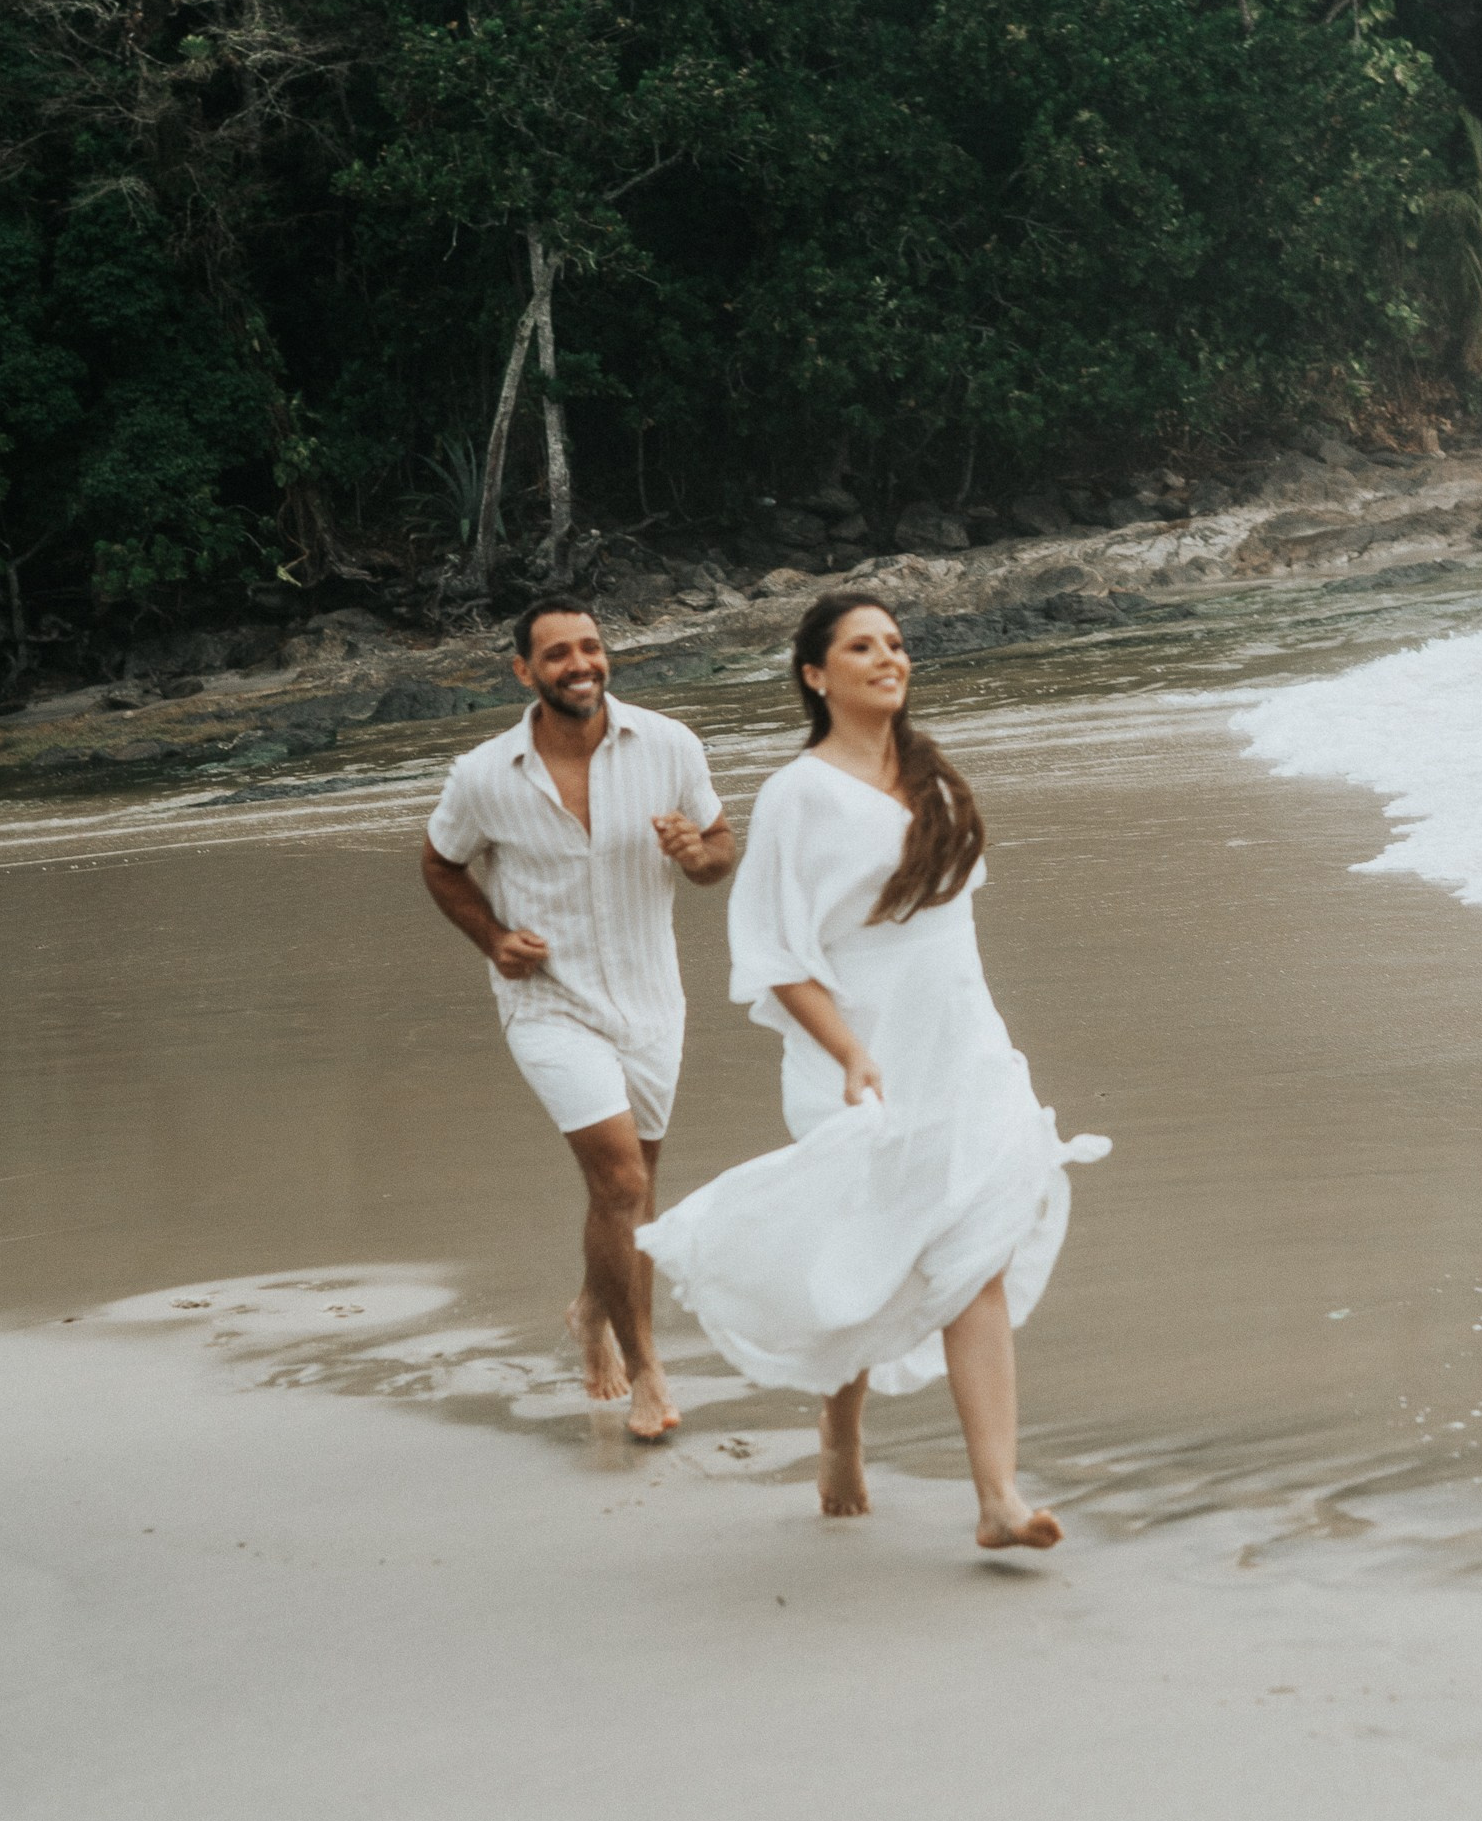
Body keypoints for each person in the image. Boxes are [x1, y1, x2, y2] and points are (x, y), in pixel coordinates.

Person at [639, 590, 1107, 1550]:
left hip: (967, 1048)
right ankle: (840, 1423)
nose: (888, 658)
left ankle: (997, 1500)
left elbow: (953, 936)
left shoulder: (931, 777)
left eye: (896, 643)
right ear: (817, 674)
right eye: (862, 646)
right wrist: (850, 1053)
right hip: (858, 1053)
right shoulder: (797, 793)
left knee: (975, 1254)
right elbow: (775, 953)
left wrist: (987, 1047)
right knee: (861, 1253)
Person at [421, 599, 735, 1441]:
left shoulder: (668, 744)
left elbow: (718, 850)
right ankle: (648, 1370)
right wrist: (492, 939)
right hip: (548, 1005)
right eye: (557, 654)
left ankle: (591, 1312)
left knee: (633, 1197)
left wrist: (695, 854)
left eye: (591, 647)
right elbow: (441, 866)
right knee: (622, 1185)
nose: (580, 664)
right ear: (524, 671)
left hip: (650, 1000)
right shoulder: (484, 775)